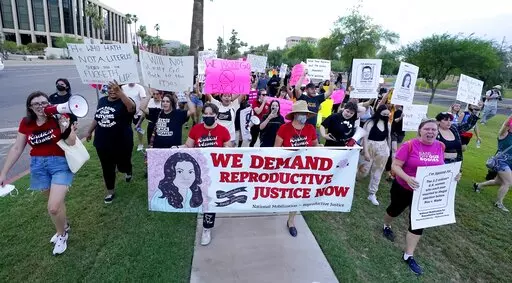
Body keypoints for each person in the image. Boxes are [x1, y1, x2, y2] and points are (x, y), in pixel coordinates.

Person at [0, 91, 76, 255]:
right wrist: (4, 173)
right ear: (30, 107)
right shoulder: (26, 123)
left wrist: (65, 126)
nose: (41, 106)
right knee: (56, 202)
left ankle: (62, 235)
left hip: (59, 164)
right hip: (38, 166)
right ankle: (64, 225)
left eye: (44, 102)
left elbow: (71, 141)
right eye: (37, 104)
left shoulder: (57, 118)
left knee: (53, 207)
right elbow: (17, 148)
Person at [383, 118, 460, 275]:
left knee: (418, 222)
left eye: (433, 129)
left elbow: (440, 166)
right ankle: (386, 225)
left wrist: (452, 175)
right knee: (394, 210)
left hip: (425, 193)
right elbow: (395, 166)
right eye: (427, 129)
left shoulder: (440, 146)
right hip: (403, 187)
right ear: (420, 130)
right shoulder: (409, 145)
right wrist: (407, 178)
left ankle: (408, 255)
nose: (430, 132)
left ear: (437, 132)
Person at [184, 103, 231, 245]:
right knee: (199, 197)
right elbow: (188, 146)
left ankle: (206, 228)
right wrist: (174, 149)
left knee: (209, 200)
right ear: (202, 114)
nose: (208, 116)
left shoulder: (223, 131)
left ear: (216, 115)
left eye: (211, 114)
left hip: (215, 172)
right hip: (198, 171)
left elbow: (228, 150)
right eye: (206, 113)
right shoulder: (196, 129)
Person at [275, 100, 319, 237]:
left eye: (306, 114)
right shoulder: (284, 128)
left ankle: (291, 221)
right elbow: (276, 149)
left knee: (297, 194)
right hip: (286, 168)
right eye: (302, 113)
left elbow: (315, 145)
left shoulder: (310, 129)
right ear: (295, 114)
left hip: (303, 168)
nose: (304, 116)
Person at [86, 81, 135, 204]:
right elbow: (97, 117)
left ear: (120, 88)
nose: (112, 90)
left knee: (123, 163)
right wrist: (89, 131)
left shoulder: (125, 100)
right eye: (110, 88)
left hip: (122, 142)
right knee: (107, 167)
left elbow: (132, 108)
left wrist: (121, 94)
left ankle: (127, 169)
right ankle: (110, 191)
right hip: (102, 141)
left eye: (115, 88)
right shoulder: (102, 101)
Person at [473, 115, 512, 212]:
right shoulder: (503, 134)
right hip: (501, 162)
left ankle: (478, 185)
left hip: (509, 163)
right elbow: (506, 123)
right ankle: (499, 203)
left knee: (498, 182)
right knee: (508, 183)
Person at [358, 104, 391, 206]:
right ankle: (356, 178)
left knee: (378, 172)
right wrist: (366, 151)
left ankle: (372, 193)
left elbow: (388, 137)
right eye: (383, 114)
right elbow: (365, 137)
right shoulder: (370, 122)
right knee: (364, 170)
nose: (385, 116)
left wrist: (388, 150)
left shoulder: (388, 124)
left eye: (387, 114)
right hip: (369, 146)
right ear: (379, 112)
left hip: (382, 149)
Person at [121, 82, 147, 151]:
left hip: (137, 112)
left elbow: (143, 100)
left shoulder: (140, 88)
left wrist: (141, 111)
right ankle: (125, 143)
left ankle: (141, 143)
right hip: (126, 112)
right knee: (126, 128)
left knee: (138, 128)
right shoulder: (123, 88)